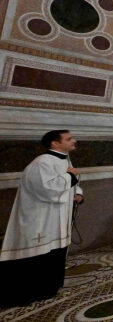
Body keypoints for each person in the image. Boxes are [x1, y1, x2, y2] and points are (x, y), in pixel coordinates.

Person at [0, 130, 84, 307]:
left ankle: (50, 288)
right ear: (55, 143)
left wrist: (78, 193)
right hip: (40, 219)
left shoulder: (64, 159)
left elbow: (72, 182)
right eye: (69, 139)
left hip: (57, 218)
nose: (74, 141)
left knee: (55, 252)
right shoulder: (41, 163)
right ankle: (27, 293)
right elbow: (47, 189)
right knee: (37, 255)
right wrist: (70, 176)